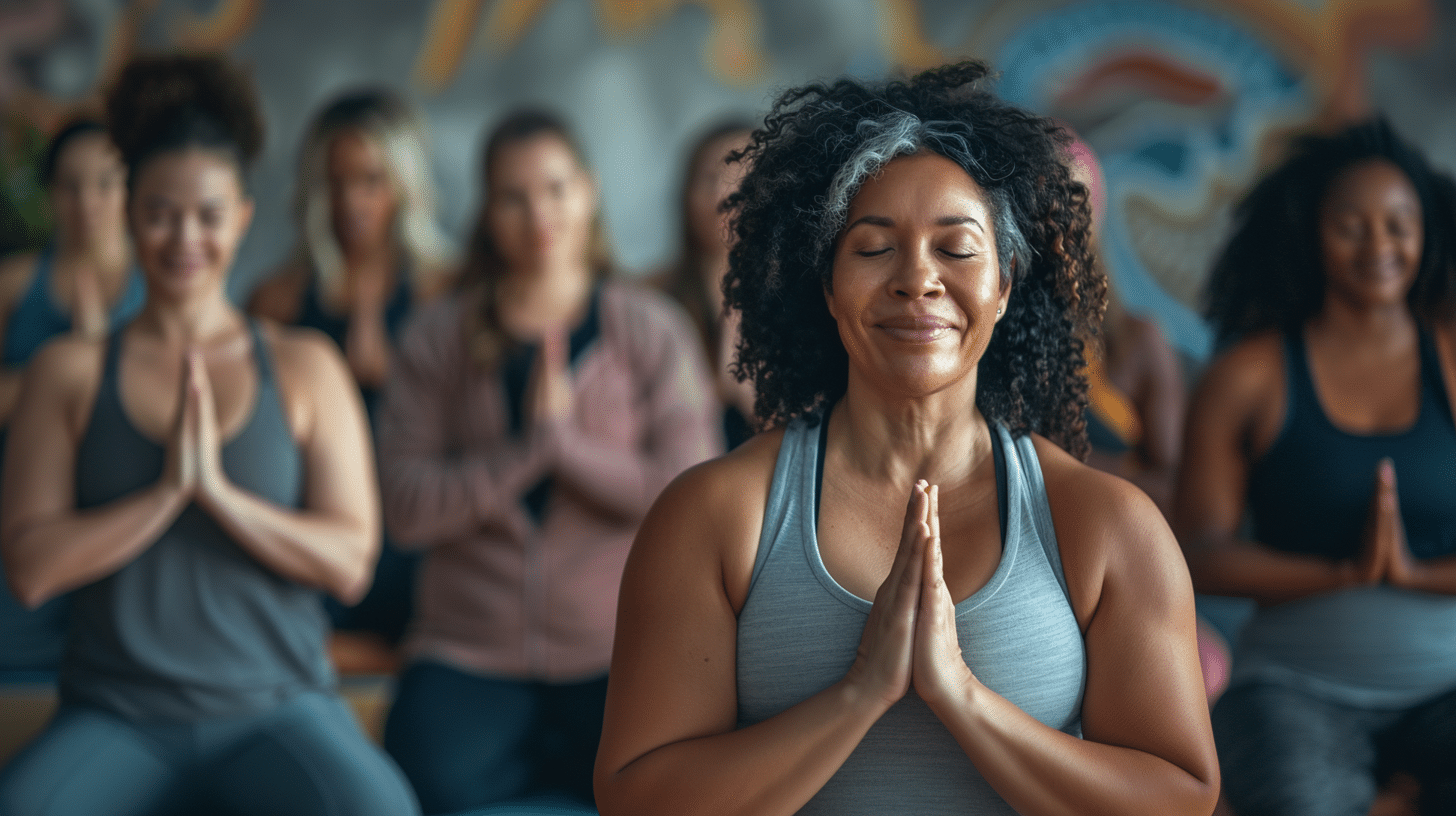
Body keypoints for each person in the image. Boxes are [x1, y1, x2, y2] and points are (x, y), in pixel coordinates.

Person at [594, 61, 1219, 815]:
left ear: (1005, 284)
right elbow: (636, 799)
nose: (916, 279)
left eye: (956, 248)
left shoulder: (1105, 525)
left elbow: (1181, 799)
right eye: (873, 247)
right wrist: (859, 694)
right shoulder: (715, 516)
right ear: (825, 283)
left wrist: (960, 696)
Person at [0, 55, 418, 816]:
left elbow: (350, 562)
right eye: (161, 212)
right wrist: (164, 495)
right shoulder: (69, 371)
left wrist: (219, 495)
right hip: (117, 713)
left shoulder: (303, 366)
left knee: (382, 810)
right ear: (131, 213)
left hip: (281, 706)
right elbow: (30, 568)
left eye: (209, 214)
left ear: (244, 217)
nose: (185, 237)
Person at [377, 109, 721, 815]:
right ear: (488, 210)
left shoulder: (650, 328)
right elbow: (406, 509)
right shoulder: (437, 337)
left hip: (617, 648)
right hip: (467, 647)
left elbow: (692, 494)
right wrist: (523, 454)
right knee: (422, 789)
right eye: (514, 195)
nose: (539, 212)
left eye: (556, 188)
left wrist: (568, 449)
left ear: (588, 192)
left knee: (659, 794)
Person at [1176, 118, 1456, 816]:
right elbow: (1199, 557)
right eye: (1351, 225)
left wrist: (1414, 575)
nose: (1379, 246)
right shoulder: (1250, 376)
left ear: (1427, 233)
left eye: (1399, 224)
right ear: (1312, 234)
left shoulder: (1451, 359)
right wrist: (1339, 574)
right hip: (1292, 690)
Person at [249, 88, 454, 657]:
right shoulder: (279, 300)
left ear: (404, 186)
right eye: (334, 183)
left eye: (371, 180)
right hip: (318, 520)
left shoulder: (448, 291)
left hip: (420, 526)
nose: (351, 202)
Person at [0, 118, 144, 671]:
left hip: (125, 521)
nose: (89, 202)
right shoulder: (16, 284)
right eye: (71, 185)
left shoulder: (164, 285)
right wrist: (66, 363)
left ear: (131, 188)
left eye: (106, 183)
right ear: (52, 194)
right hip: (25, 510)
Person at [654, 120, 757, 449]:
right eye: (710, 179)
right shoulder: (649, 300)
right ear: (685, 194)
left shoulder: (812, 300)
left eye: (742, 179)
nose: (722, 195)